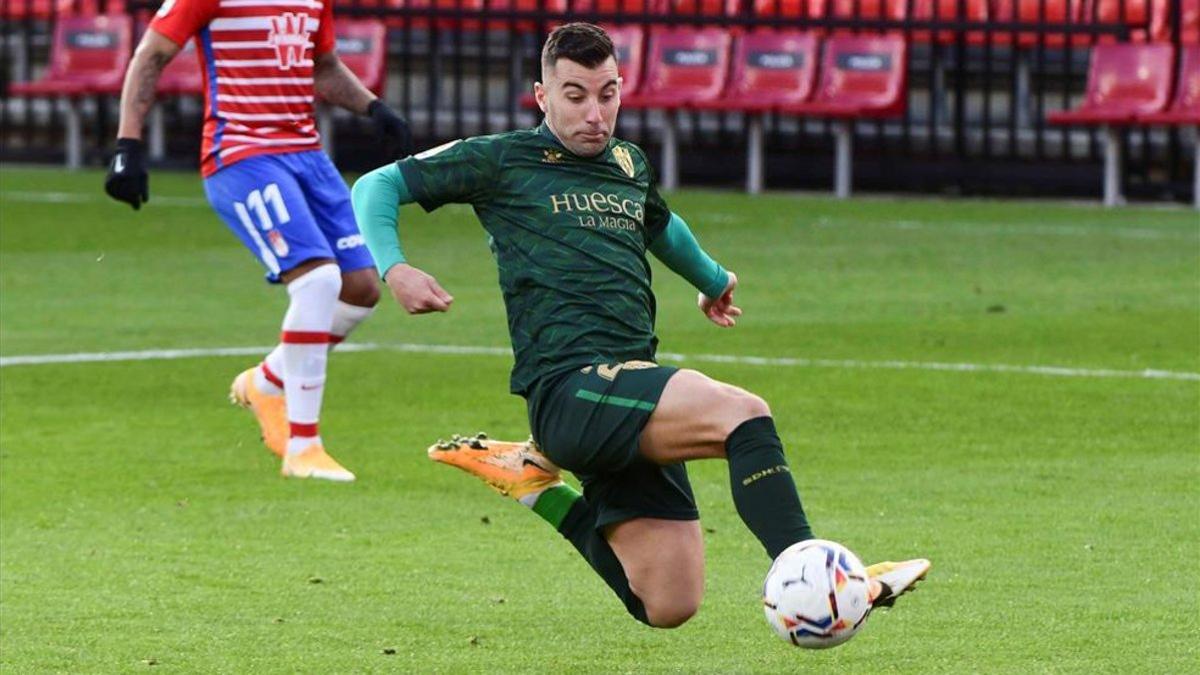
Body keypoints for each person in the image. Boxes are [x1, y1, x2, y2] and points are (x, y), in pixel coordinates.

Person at [352, 22, 929, 626]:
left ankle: (535, 485)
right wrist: (394, 269)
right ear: (543, 96)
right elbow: (377, 185)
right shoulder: (500, 160)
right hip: (569, 387)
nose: (595, 113)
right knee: (744, 414)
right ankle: (821, 574)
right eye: (575, 96)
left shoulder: (628, 162)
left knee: (666, 604)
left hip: (631, 386)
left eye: (608, 93)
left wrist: (711, 278)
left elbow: (661, 226)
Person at [104, 0, 413, 481]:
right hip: (241, 155)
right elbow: (151, 54)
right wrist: (128, 143)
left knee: (361, 288)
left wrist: (373, 107)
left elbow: (324, 67)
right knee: (317, 281)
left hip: (307, 155)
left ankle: (266, 382)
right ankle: (303, 448)